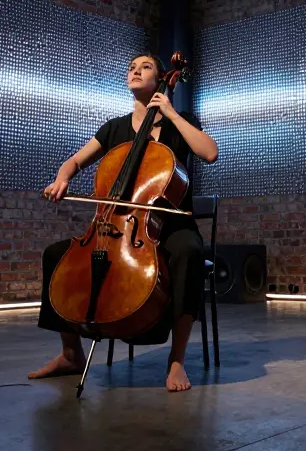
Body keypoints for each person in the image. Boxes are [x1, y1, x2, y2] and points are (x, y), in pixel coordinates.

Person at [29, 54, 219, 392]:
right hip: (115, 228)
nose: (135, 70)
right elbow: (75, 160)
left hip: (170, 226)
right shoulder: (114, 128)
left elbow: (209, 153)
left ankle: (176, 360)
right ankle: (71, 353)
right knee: (55, 254)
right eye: (132, 67)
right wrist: (62, 178)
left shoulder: (181, 122)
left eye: (145, 67)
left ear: (163, 79)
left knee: (189, 252)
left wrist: (172, 114)